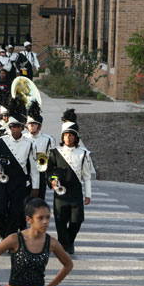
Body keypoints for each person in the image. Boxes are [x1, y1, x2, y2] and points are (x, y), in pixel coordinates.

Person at [0, 100, 39, 239]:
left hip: (20, 182)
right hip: (3, 180)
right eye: (13, 127)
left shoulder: (29, 144)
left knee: (15, 212)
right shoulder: (1, 141)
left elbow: (33, 167)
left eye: (18, 127)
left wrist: (35, 186)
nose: (16, 129)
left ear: (23, 128)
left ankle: (9, 238)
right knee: (0, 211)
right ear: (9, 127)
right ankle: (2, 232)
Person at [46, 109, 92, 255]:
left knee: (77, 221)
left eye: (71, 135)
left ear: (76, 137)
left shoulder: (83, 153)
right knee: (60, 221)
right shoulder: (55, 152)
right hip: (60, 193)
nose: (68, 138)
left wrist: (88, 194)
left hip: (76, 192)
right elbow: (49, 171)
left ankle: (69, 241)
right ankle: (63, 245)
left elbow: (87, 176)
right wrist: (52, 182)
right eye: (65, 135)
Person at [24, 101, 55, 202]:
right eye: (29, 124)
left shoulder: (48, 139)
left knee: (39, 201)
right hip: (26, 172)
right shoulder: (23, 138)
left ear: (39, 126)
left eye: (34, 124)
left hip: (41, 171)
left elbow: (52, 159)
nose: (31, 126)